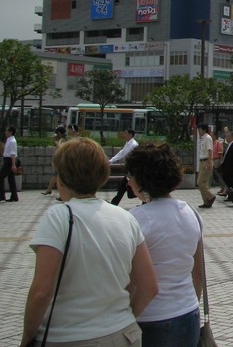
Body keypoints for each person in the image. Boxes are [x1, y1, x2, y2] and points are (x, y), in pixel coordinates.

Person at [20, 137, 159, 346]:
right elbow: (149, 286)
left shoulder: (59, 216)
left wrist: (25, 339)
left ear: (62, 178)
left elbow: (41, 292)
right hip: (124, 334)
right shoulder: (126, 217)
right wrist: (125, 317)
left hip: (69, 336)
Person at [126, 143, 203, 346]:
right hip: (189, 312)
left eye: (130, 175)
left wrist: (126, 317)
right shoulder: (191, 212)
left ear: (141, 179)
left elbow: (125, 277)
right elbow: (198, 271)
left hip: (152, 319)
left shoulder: (137, 219)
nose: (128, 180)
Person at [109, 129, 139, 206]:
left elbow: (123, 153)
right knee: (123, 186)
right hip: (130, 169)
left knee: (127, 186)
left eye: (126, 133)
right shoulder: (128, 143)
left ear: (131, 135)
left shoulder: (133, 144)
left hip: (133, 170)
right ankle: (114, 203)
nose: (124, 135)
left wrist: (111, 160)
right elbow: (121, 152)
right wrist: (111, 160)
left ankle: (114, 203)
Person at [42, 126, 67, 197]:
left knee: (59, 177)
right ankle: (49, 189)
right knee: (56, 176)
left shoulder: (62, 140)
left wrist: (57, 143)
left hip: (62, 160)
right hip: (60, 160)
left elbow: (61, 148)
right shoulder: (62, 139)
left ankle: (59, 192)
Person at [195, 124, 215, 209]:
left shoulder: (208, 138)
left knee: (200, 182)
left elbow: (210, 150)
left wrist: (209, 162)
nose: (198, 131)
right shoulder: (203, 138)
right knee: (202, 183)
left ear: (204, 130)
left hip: (206, 161)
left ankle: (210, 196)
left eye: (199, 129)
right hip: (202, 161)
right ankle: (206, 202)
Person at [0, 126, 20, 203]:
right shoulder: (8, 140)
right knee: (11, 179)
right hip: (7, 160)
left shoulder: (12, 141)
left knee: (1, 177)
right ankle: (14, 196)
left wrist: (13, 164)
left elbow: (13, 154)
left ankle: (2, 196)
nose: (5, 132)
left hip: (9, 162)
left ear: (10, 132)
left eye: (7, 131)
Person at [212, 130, 228, 197]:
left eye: (212, 135)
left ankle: (223, 188)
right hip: (212, 160)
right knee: (215, 176)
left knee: (218, 175)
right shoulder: (211, 143)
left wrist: (221, 161)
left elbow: (220, 153)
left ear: (215, 136)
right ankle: (221, 188)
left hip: (217, 160)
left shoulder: (218, 143)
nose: (211, 136)